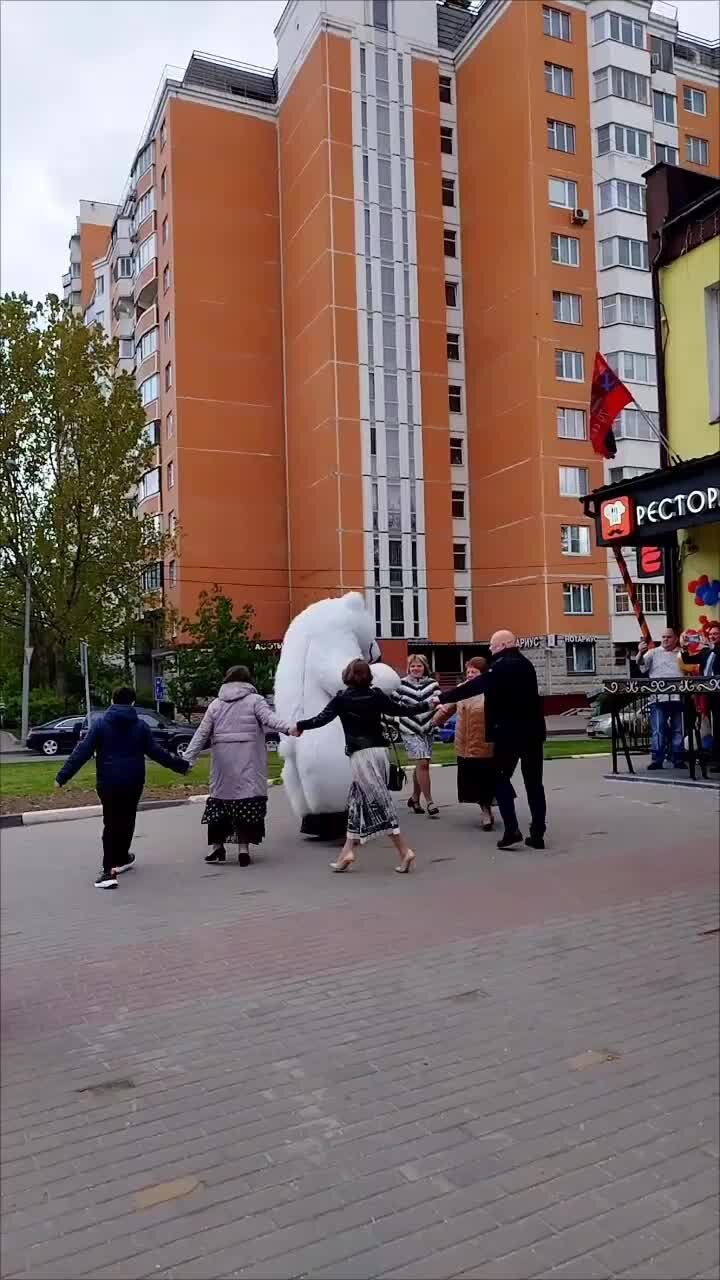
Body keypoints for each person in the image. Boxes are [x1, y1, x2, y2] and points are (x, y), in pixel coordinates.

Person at [295, 658, 433, 874]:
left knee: (381, 802)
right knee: (357, 802)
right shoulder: (376, 694)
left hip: (360, 754)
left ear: (347, 676)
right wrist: (427, 704)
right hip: (380, 752)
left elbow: (321, 719)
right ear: (368, 675)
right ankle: (346, 853)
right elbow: (401, 710)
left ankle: (404, 851)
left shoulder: (342, 699)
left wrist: (299, 726)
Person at [55, 686, 190, 889]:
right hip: (133, 781)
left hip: (108, 782)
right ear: (133, 703)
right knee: (127, 820)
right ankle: (121, 858)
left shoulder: (100, 725)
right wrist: (181, 766)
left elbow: (81, 752)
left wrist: (62, 777)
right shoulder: (141, 727)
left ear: (112, 700)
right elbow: (156, 752)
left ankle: (109, 870)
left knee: (111, 823)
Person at [436, 630, 547, 851]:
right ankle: (538, 833)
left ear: (505, 644)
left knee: (500, 779)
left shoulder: (501, 666)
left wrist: (442, 697)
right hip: (533, 733)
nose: (489, 649)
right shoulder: (526, 664)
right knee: (534, 783)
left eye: (492, 645)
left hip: (509, 734)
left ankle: (511, 830)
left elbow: (476, 685)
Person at [183, 666, 292, 866]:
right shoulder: (255, 701)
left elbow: (201, 734)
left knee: (219, 804)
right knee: (246, 805)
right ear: (248, 681)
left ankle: (216, 847)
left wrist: (187, 759)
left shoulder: (216, 705)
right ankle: (243, 849)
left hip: (222, 764)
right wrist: (289, 728)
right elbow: (271, 720)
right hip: (248, 762)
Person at [434, 656, 497, 831]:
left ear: (482, 674)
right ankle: (484, 809)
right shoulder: (461, 690)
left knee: (485, 781)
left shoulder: (490, 691)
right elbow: (447, 709)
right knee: (473, 783)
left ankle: (486, 812)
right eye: (468, 671)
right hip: (464, 745)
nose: (469, 675)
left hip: (485, 745)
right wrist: (432, 723)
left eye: (474, 672)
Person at [398, 655, 441, 817]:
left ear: (425, 667)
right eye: (413, 666)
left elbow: (439, 702)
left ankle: (415, 798)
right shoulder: (401, 684)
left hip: (428, 728)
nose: (416, 669)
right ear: (408, 667)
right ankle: (430, 802)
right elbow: (393, 705)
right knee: (422, 762)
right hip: (409, 729)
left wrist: (440, 711)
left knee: (423, 765)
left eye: (419, 666)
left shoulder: (432, 684)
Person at [636, 628, 684, 770]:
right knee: (658, 729)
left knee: (678, 729)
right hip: (658, 697)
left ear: (675, 638)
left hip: (678, 697)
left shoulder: (681, 653)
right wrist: (640, 652)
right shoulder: (653, 652)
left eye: (669, 637)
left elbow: (690, 667)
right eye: (663, 637)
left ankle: (678, 758)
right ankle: (657, 759)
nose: (665, 639)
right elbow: (641, 666)